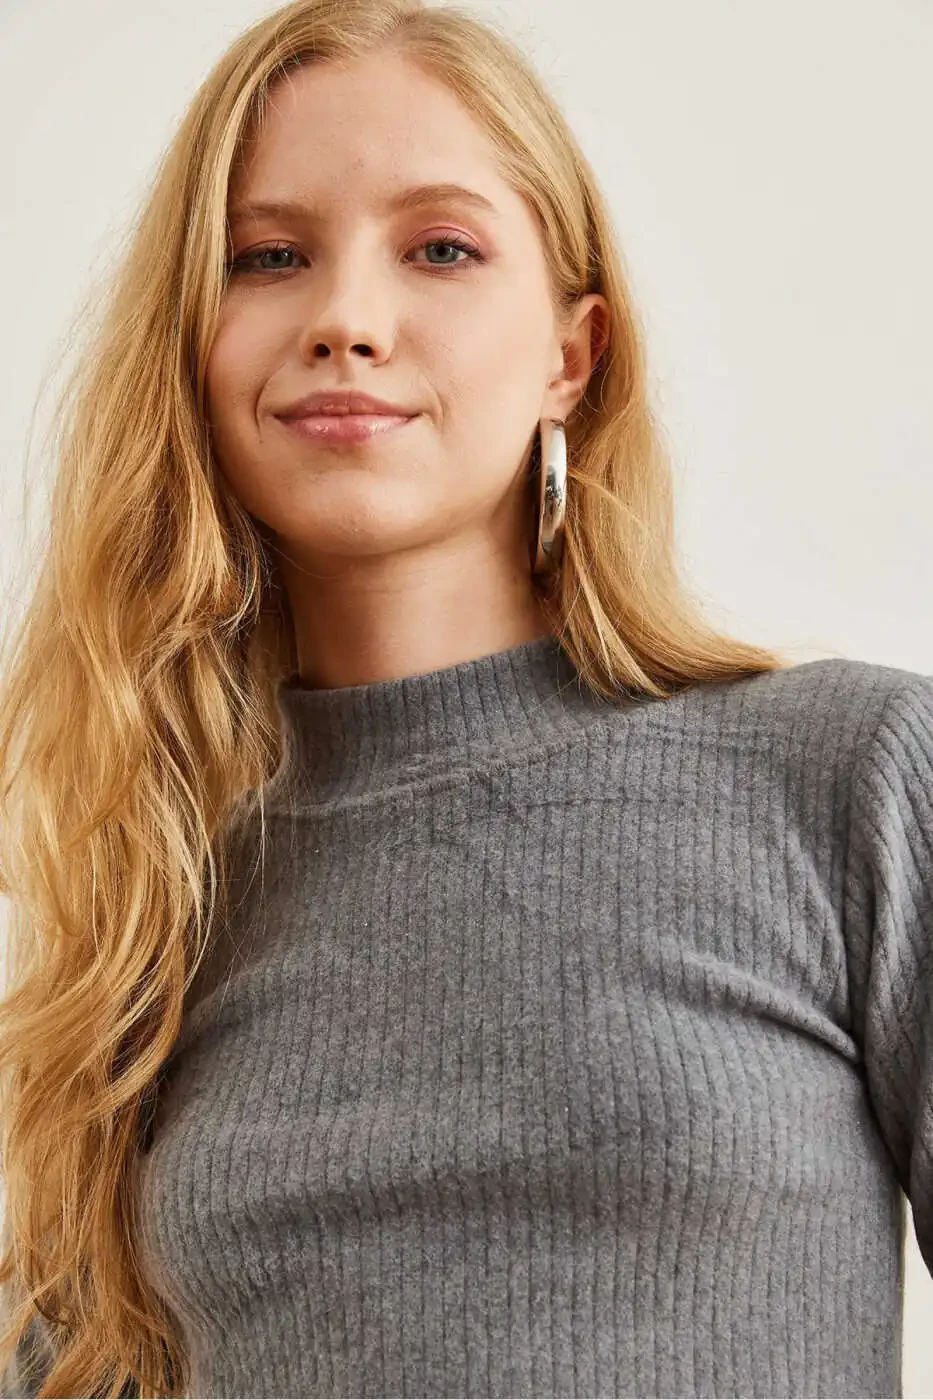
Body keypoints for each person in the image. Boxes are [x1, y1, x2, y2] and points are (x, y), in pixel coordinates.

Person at [0, 1, 930, 1397]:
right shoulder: (141, 910)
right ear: (194, 346)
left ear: (572, 353)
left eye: (440, 249)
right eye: (267, 257)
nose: (345, 321)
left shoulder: (847, 780)